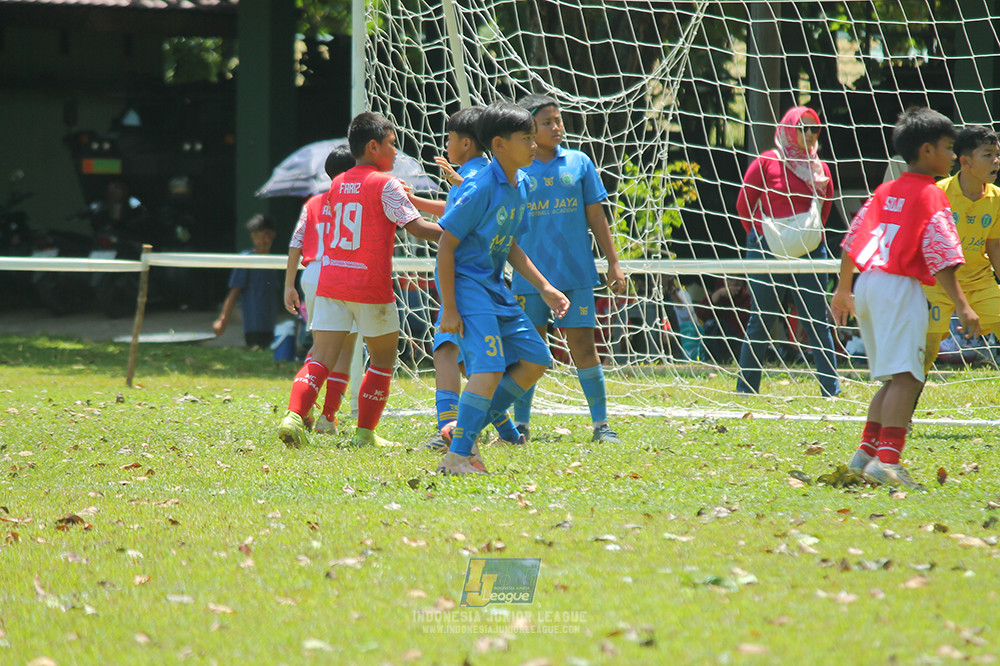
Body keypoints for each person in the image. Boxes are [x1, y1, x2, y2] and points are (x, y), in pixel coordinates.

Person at [831, 106, 980, 490]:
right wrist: (963, 305)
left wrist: (844, 289)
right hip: (899, 287)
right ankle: (889, 463)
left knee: (893, 378)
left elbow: (852, 240)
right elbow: (942, 256)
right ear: (927, 150)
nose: (952, 156)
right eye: (949, 148)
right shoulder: (931, 195)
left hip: (868, 284)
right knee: (908, 378)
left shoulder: (886, 190)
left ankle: (865, 455)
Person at [276, 112, 443, 448]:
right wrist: (466, 232)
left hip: (332, 281)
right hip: (368, 285)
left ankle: (294, 416)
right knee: (382, 358)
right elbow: (420, 229)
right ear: (373, 146)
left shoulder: (336, 184)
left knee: (320, 356)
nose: (396, 152)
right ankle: (365, 433)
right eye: (392, 144)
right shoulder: (385, 183)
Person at [435, 101, 570, 475]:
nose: (533, 144)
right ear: (498, 145)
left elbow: (510, 244)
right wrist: (449, 307)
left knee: (536, 359)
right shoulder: (479, 186)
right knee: (489, 366)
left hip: (494, 288)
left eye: (533, 136)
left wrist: (545, 287)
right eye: (525, 137)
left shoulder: (522, 184)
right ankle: (457, 456)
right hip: (467, 288)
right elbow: (446, 244)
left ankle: (481, 414)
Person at [510, 93, 627, 444]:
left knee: (584, 346)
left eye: (558, 120)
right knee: (529, 351)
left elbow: (596, 214)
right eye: (547, 122)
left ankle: (601, 426)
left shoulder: (579, 162)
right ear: (529, 127)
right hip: (530, 277)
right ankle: (521, 426)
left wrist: (614, 262)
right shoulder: (515, 168)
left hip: (576, 274)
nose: (556, 127)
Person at [407, 106, 526, 450]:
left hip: (462, 282)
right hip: (482, 281)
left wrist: (405, 216)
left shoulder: (475, 179)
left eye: (449, 138)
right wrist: (417, 199)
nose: (445, 143)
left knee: (447, 351)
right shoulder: (480, 175)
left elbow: (446, 233)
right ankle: (507, 433)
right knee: (470, 362)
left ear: (467, 143)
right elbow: (455, 210)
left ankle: (448, 429)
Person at [735, 106, 840, 398]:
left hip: (810, 252)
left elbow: (826, 207)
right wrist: (762, 237)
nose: (808, 134)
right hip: (767, 251)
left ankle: (830, 391)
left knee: (818, 322)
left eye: (814, 129)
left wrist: (804, 236)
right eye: (802, 127)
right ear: (789, 128)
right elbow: (744, 205)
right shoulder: (767, 161)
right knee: (761, 320)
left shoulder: (821, 168)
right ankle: (746, 391)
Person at [282, 145, 357, 435]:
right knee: (344, 348)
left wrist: (289, 284)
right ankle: (327, 417)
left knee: (321, 346)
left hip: (311, 275)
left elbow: (296, 242)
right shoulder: (360, 200)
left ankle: (303, 408)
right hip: (342, 273)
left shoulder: (313, 202)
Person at [922, 125, 1000, 373]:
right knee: (926, 350)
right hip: (938, 286)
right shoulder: (937, 194)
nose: (996, 161)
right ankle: (903, 400)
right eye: (987, 155)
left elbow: (995, 245)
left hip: (980, 281)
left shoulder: (997, 198)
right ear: (965, 162)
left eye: (997, 155)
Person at [213, 214, 282, 349]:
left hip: (271, 326)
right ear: (252, 236)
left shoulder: (275, 260)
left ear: (273, 235)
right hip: (253, 326)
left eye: (266, 235)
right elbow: (234, 292)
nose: (262, 240)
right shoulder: (246, 259)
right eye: (257, 236)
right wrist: (223, 320)